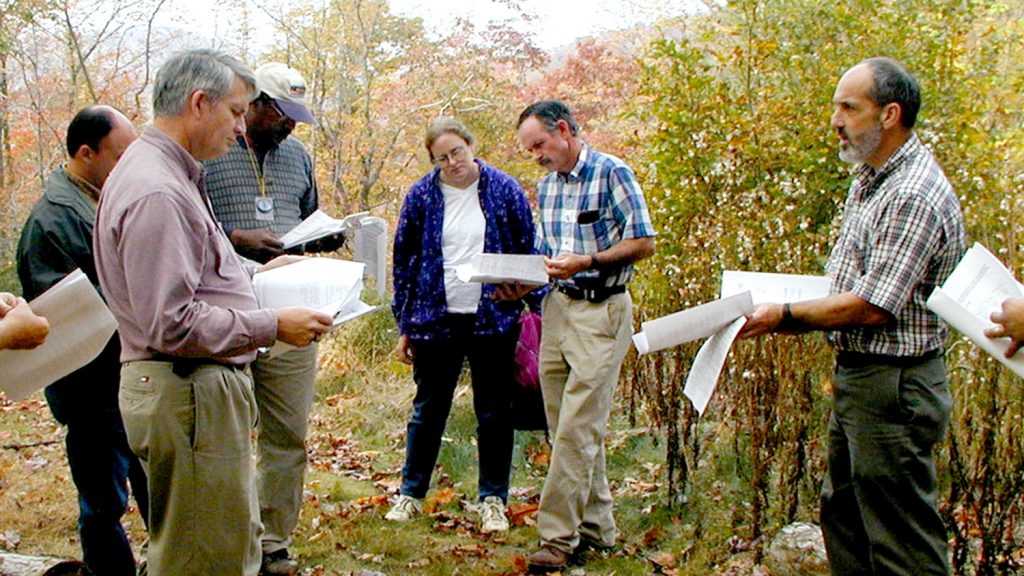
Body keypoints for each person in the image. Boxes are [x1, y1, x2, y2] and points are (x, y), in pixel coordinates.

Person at [93, 48, 332, 576]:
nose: (242, 126)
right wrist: (272, 324)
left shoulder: (173, 174)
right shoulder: (157, 189)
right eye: (236, 111)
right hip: (187, 388)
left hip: (195, 391)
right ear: (199, 103)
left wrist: (260, 275)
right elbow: (172, 321)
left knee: (219, 544)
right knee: (203, 559)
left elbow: (196, 271)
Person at [738, 58, 966, 576]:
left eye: (848, 107)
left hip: (894, 385)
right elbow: (855, 283)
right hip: (862, 379)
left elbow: (871, 304)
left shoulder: (911, 193)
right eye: (835, 106)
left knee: (899, 536)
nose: (835, 120)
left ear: (889, 114)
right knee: (845, 517)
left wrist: (784, 315)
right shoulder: (871, 178)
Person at [204, 62, 343, 576]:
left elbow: (309, 213)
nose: (290, 125)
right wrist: (239, 238)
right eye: (283, 114)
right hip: (227, 311)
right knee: (229, 437)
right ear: (256, 103)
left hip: (292, 307)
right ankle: (235, 537)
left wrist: (321, 238)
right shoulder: (212, 153)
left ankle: (274, 542)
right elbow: (189, 228)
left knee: (288, 433)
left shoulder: (298, 156)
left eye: (296, 117)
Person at [514, 100, 656, 574]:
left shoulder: (612, 173)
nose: (536, 155)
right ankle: (598, 526)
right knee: (564, 426)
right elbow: (546, 255)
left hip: (603, 311)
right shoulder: (548, 186)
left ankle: (555, 538)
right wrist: (518, 281)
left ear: (563, 130)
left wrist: (589, 261)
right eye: (529, 149)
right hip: (558, 308)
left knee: (578, 428)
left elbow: (644, 242)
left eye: (539, 144)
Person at [16, 105, 149, 576]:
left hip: (130, 377)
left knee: (154, 485)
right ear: (85, 152)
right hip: (91, 389)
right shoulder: (52, 220)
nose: (126, 168)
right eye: (118, 157)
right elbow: (64, 315)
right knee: (102, 503)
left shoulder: (98, 200)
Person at [388, 116, 538, 533]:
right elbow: (405, 260)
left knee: (494, 410)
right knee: (429, 407)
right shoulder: (421, 195)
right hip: (436, 318)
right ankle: (410, 494)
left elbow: (527, 247)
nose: (452, 162)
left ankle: (493, 498)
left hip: (493, 315)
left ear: (471, 146)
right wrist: (404, 323)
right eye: (441, 158)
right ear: (433, 161)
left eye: (457, 152)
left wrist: (528, 297)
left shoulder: (504, 189)